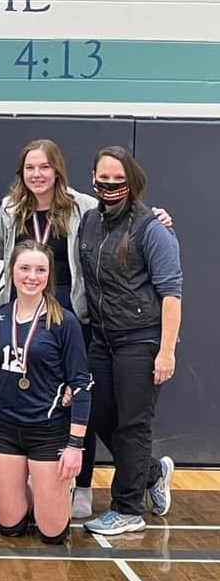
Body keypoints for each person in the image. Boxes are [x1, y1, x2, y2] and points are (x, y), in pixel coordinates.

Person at [0, 139, 173, 519]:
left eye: (44, 167)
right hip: (24, 312)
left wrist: (157, 218)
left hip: (72, 311)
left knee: (80, 401)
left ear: (57, 171)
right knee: (34, 395)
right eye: (30, 168)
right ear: (22, 173)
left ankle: (81, 484)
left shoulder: (83, 205)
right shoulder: (10, 209)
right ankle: (149, 471)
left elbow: (126, 218)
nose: (37, 174)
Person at [80, 147, 182, 536]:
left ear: (132, 182)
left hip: (141, 340)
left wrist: (166, 350)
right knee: (101, 417)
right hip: (101, 340)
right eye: (102, 180)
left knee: (134, 425)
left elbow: (171, 293)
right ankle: (153, 471)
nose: (109, 187)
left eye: (117, 181)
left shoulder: (153, 228)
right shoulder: (88, 221)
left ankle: (127, 509)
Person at [0, 240, 92, 545]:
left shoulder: (64, 321)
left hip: (48, 430)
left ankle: (52, 488)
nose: (31, 276)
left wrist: (75, 446)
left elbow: (82, 385)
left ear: (49, 276)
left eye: (40, 270)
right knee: (9, 526)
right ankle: (28, 487)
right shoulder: (1, 316)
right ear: (11, 271)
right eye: (24, 268)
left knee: (52, 533)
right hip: (5, 427)